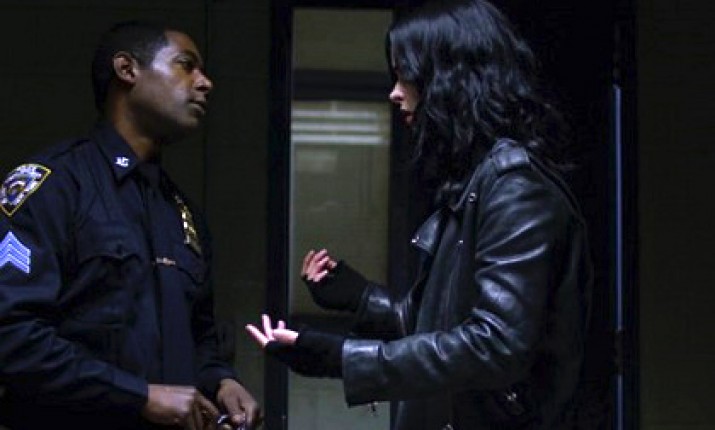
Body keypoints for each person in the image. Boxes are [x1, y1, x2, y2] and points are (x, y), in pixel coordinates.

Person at [246, 0, 594, 429]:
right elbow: (433, 324)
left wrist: (342, 359)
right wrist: (358, 298)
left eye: (405, 75)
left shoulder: (514, 187)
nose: (395, 92)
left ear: (451, 78)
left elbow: (496, 345)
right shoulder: (476, 182)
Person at [0, 21, 260, 430]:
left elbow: (200, 337)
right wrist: (138, 396)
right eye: (186, 65)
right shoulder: (56, 186)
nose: (205, 82)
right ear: (127, 69)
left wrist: (221, 381)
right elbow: (12, 336)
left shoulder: (182, 213)